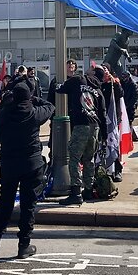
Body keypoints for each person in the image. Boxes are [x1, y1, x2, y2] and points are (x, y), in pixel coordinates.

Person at [0, 81, 55, 259]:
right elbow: (50, 105)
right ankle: (24, 244)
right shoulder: (34, 113)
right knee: (28, 205)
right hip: (31, 164)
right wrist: (33, 98)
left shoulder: (5, 113)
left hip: (9, 164)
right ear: (29, 97)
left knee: (5, 202)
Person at [54, 58, 104, 205]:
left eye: (92, 67)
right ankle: (88, 190)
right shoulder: (98, 89)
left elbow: (60, 88)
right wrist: (104, 134)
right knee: (89, 159)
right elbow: (102, 111)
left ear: (93, 72)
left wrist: (59, 83)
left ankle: (76, 192)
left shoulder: (79, 80)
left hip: (81, 125)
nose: (89, 67)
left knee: (74, 158)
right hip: (94, 126)